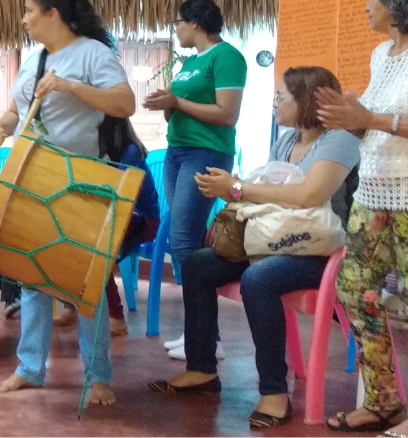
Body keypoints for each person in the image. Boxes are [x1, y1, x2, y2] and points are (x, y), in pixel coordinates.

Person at [150, 66, 359, 429]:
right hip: (277, 241)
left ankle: (274, 392)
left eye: (281, 98)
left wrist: (236, 189)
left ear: (307, 100)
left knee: (259, 279)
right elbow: (272, 191)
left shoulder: (340, 140)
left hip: (322, 252)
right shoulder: (287, 140)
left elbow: (309, 196)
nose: (274, 104)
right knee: (198, 263)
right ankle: (201, 369)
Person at [0, 0, 136, 406]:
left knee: (84, 284)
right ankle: (30, 367)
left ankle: (98, 374)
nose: (25, 19)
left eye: (30, 11)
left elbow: (125, 104)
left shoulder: (92, 53)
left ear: (53, 14)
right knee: (33, 277)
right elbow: (17, 110)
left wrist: (71, 87)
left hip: (82, 179)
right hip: (35, 178)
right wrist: (0, 129)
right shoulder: (35, 60)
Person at [316, 0, 408, 436]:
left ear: (399, 5)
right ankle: (381, 401)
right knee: (355, 290)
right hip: (375, 192)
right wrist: (350, 120)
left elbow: (393, 122)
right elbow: (378, 123)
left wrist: (373, 119)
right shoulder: (382, 55)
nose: (366, 4)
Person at [142, 0, 246, 356]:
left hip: (206, 152)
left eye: (179, 22)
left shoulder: (227, 56)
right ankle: (198, 332)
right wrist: (166, 105)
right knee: (184, 237)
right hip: (177, 151)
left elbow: (226, 114)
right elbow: (180, 109)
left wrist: (176, 102)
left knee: (185, 240)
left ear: (196, 23)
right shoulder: (187, 63)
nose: (177, 29)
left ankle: (205, 338)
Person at [99, 117, 161, 337]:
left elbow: (120, 194)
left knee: (97, 246)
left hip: (146, 221)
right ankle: (71, 306)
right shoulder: (103, 149)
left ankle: (116, 316)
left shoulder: (130, 151)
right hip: (125, 216)